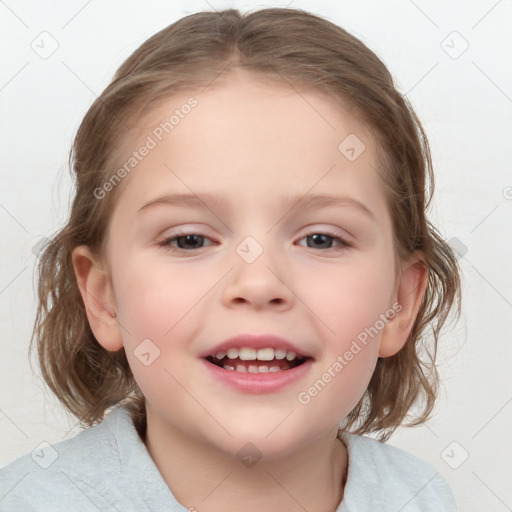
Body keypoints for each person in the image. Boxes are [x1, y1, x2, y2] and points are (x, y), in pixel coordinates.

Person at [0, 7, 462, 511]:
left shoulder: (421, 497)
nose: (258, 282)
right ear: (103, 299)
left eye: (322, 240)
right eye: (189, 240)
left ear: (399, 301)